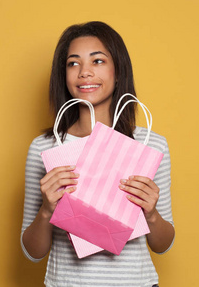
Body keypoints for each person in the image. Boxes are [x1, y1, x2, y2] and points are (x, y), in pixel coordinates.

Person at [21, 21, 175, 287]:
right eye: (73, 63)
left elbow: (163, 245)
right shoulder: (45, 148)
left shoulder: (150, 146)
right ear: (63, 75)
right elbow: (32, 253)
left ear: (118, 71)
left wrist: (151, 214)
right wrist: (47, 210)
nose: (84, 73)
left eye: (98, 61)